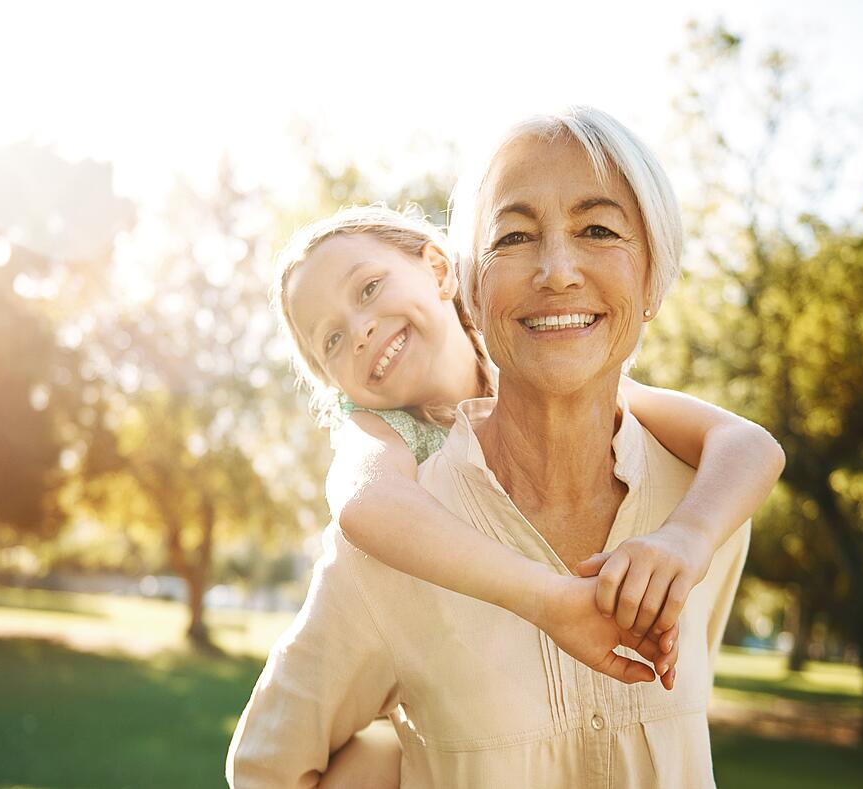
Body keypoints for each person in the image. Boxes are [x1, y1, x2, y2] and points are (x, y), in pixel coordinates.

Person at [228, 107, 777, 788]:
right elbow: (362, 503)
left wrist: (689, 536)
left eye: (598, 229)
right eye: (332, 340)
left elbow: (748, 442)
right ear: (476, 280)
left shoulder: (702, 496)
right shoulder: (387, 497)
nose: (556, 271)